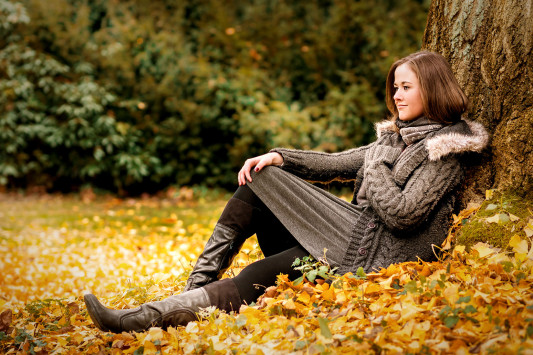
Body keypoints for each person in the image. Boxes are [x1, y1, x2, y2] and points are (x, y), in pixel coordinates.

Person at [84, 51, 489, 333]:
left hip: (373, 258)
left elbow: (404, 214)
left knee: (254, 276)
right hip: (343, 241)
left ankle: (136, 319)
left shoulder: (444, 151)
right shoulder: (394, 139)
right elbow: (336, 164)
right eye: (395, 87)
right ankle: (192, 290)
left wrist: (379, 163)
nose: (396, 96)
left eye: (406, 87)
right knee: (263, 177)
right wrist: (279, 156)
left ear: (431, 90)